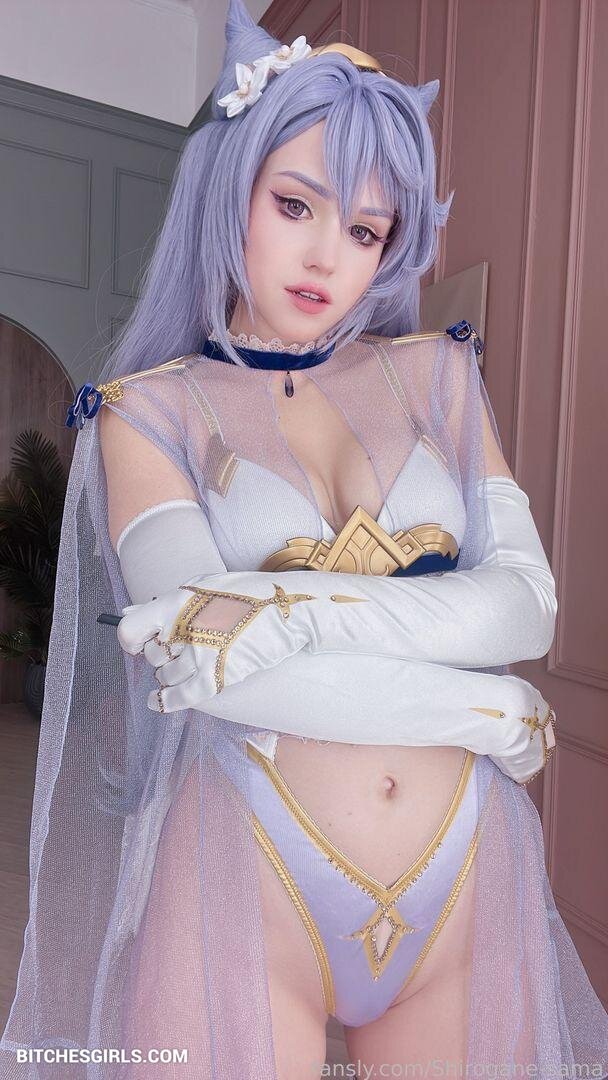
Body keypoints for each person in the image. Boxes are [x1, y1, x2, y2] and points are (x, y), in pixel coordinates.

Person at [2, 2, 608, 1077]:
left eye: (367, 231)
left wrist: (282, 608)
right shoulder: (147, 413)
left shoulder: (439, 375)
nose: (328, 255)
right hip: (241, 862)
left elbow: (525, 606)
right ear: (227, 188)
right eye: (294, 204)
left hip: (470, 871)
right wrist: (486, 707)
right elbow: (211, 662)